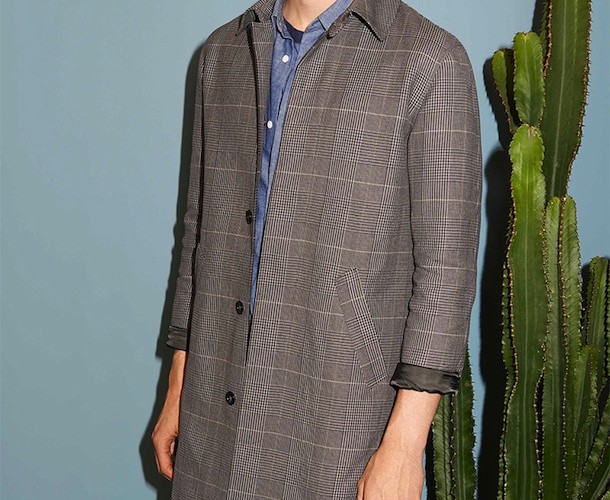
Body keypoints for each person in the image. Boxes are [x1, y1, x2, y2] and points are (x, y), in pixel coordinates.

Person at [152, 0, 482, 497]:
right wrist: (180, 385)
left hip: (338, 414)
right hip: (213, 405)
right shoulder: (223, 51)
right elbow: (202, 233)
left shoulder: (431, 60)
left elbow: (446, 270)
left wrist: (403, 447)